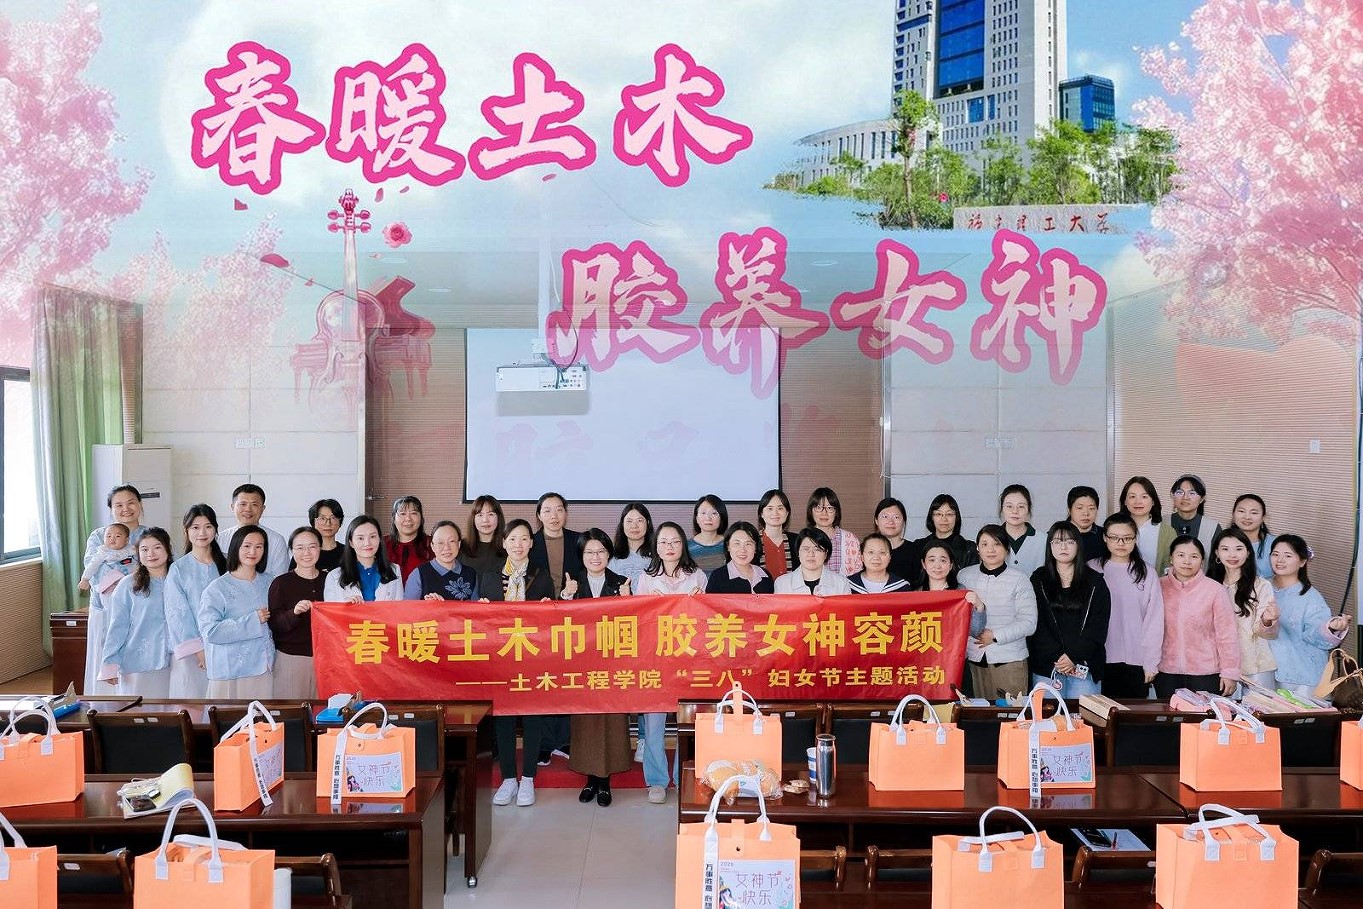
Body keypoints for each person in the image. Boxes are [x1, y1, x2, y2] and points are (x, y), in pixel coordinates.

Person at [482, 519, 555, 808]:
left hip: (533, 657)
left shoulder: (542, 576)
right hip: (501, 658)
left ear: (531, 543)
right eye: (512, 539)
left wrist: (551, 607)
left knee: (533, 717)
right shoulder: (489, 576)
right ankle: (509, 778)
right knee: (504, 718)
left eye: (524, 538)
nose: (518, 544)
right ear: (503, 543)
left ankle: (529, 778)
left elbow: (553, 620)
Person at [560, 528, 633, 807]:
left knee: (611, 721)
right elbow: (558, 623)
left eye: (601, 551)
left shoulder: (620, 583)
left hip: (613, 665)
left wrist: (628, 600)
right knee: (585, 722)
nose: (595, 557)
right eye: (589, 552)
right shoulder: (572, 583)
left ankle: (605, 783)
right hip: (581, 665)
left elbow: (633, 624)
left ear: (609, 554)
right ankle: (590, 780)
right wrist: (566, 597)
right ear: (581, 555)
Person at [635, 521, 706, 803]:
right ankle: (656, 781)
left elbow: (708, 619)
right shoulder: (646, 578)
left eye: (675, 541)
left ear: (683, 545)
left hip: (689, 659)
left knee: (686, 721)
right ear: (656, 546)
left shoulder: (697, 576)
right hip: (656, 659)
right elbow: (639, 621)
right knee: (654, 723)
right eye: (663, 542)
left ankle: (682, 776)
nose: (669, 547)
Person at [1027, 521, 1111, 698]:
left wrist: (1073, 655)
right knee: (1047, 714)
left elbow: (1098, 626)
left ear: (1078, 545)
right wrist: (1058, 658)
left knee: (1083, 714)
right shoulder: (1039, 579)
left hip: (1084, 665)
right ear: (1050, 545)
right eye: (1057, 541)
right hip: (1048, 665)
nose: (1063, 547)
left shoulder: (1095, 581)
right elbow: (1036, 623)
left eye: (1070, 541)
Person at [957, 524, 1037, 700]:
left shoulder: (1019, 579)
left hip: (1009, 660)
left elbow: (1029, 623)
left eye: (997, 544)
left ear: (1007, 549)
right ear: (977, 548)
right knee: (978, 713)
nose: (991, 549)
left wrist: (994, 635)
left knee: (1010, 713)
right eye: (985, 544)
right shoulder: (964, 576)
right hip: (973, 660)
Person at [1155, 536, 1240, 699]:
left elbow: (1227, 634)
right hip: (1166, 671)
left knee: (1204, 716)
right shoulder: (1158, 586)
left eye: (1194, 556)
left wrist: (1230, 671)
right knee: (1168, 715)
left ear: (1202, 561)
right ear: (1171, 558)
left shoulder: (1215, 590)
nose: (1187, 561)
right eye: (1181, 555)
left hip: (1206, 673)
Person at [82, 485, 148, 694]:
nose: (125, 509)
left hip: (142, 608)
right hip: (105, 607)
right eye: (118, 505)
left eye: (131, 503)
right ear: (111, 509)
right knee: (105, 654)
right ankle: (103, 708)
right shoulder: (99, 536)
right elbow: (93, 569)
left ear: (140, 504)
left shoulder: (150, 534)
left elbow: (160, 567)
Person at [1268, 534, 1350, 699]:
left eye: (1288, 556)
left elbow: (1316, 633)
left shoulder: (1311, 598)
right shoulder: (1261, 587)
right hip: (1265, 672)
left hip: (1301, 678)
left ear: (1303, 561)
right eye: (1275, 554)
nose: (1280, 560)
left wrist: (1331, 627)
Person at [198, 525, 275, 699]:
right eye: (247, 546)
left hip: (263, 667)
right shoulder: (217, 588)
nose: (252, 551)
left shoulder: (270, 582)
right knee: (230, 716)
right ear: (236, 548)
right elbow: (210, 631)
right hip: (230, 670)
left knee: (261, 716)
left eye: (259, 546)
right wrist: (253, 620)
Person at [1091, 513, 1163, 700]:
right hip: (1099, 657)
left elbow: (1154, 621)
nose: (1120, 543)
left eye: (1127, 538)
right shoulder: (1092, 569)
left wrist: (1151, 662)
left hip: (1137, 658)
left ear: (1135, 538)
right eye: (1114, 537)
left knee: (1133, 714)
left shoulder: (1147, 572)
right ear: (1105, 538)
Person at [98, 528, 175, 697]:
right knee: (139, 709)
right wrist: (110, 663)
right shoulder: (128, 584)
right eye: (144, 549)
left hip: (176, 660)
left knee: (174, 709)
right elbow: (117, 626)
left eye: (157, 547)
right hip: (138, 662)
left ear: (168, 549)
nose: (150, 554)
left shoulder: (179, 580)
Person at [1206, 527, 1279, 694]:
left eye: (1238, 549)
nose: (1232, 555)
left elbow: (1266, 632)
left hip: (1255, 664)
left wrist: (1267, 620)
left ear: (1248, 553)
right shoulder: (1209, 585)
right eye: (1225, 549)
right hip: (1218, 665)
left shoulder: (1261, 585)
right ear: (1216, 553)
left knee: (1260, 709)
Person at [165, 504, 225, 699]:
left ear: (215, 529)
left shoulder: (228, 562)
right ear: (186, 531)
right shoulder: (178, 569)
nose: (202, 533)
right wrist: (199, 651)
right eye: (195, 527)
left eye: (208, 526)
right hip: (192, 652)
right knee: (193, 703)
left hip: (226, 647)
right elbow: (177, 614)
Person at [268, 527, 328, 699]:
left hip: (326, 658)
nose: (306, 553)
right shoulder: (281, 583)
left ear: (320, 548)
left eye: (312, 546)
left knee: (324, 711)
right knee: (292, 711)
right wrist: (293, 613)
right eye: (300, 547)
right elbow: (275, 624)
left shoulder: (330, 580)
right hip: (291, 659)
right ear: (292, 551)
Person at [911, 539, 987, 641]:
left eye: (943, 560)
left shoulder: (960, 592)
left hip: (952, 649)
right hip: (924, 648)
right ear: (924, 564)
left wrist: (979, 605)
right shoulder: (915, 594)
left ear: (951, 565)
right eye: (932, 560)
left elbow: (974, 631)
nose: (937, 566)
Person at [215, 484, 289, 577]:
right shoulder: (220, 538)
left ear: (262, 509)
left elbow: (280, 577)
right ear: (232, 507)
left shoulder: (276, 540)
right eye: (243, 504)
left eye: (254, 504)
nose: (248, 509)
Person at [323, 516, 404, 602]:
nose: (367, 543)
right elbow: (329, 609)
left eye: (372, 536)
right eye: (360, 538)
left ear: (379, 539)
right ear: (351, 542)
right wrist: (344, 606)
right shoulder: (334, 576)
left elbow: (399, 608)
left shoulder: (394, 570)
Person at [1156, 475, 1221, 575]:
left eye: (1192, 493)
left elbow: (1216, 565)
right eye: (1179, 492)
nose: (1185, 497)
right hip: (1163, 581)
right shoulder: (1161, 522)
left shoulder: (1212, 527)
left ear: (1202, 498)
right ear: (1172, 495)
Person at [404, 520, 478, 600]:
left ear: (459, 544)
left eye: (451, 541)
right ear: (432, 546)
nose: (446, 548)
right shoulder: (419, 574)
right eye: (440, 543)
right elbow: (408, 607)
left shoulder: (471, 574)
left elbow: (474, 606)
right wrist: (428, 605)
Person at [773, 527, 853, 595]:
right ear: (798, 552)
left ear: (826, 554)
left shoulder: (841, 583)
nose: (811, 554)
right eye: (806, 549)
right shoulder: (782, 583)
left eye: (817, 549)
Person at [528, 492, 579, 598]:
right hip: (540, 603)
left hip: (572, 602)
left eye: (559, 510)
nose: (554, 516)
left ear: (565, 513)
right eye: (547, 511)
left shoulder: (579, 540)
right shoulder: (529, 543)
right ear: (539, 516)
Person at [913, 493, 977, 573]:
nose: (944, 519)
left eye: (949, 514)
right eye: (938, 514)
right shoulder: (919, 546)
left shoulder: (968, 548)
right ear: (932, 517)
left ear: (956, 517)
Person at [705, 522, 773, 593]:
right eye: (737, 543)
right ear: (728, 547)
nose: (742, 550)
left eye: (748, 544)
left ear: (756, 548)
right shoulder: (717, 577)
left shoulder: (765, 575)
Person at [805, 487, 861, 574]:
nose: (824, 513)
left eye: (829, 508)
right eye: (819, 507)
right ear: (811, 511)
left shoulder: (850, 539)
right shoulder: (804, 539)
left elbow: (858, 573)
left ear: (836, 512)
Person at [384, 495, 434, 584]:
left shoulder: (432, 544)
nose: (408, 519)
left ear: (421, 518)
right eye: (402, 514)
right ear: (394, 519)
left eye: (413, 513)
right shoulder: (381, 544)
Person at [999, 484, 1045, 576]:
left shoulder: (1044, 540)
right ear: (1002, 509)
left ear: (1028, 510)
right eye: (1009, 506)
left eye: (1021, 506)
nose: (1015, 511)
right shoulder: (992, 538)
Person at [1118, 476, 1163, 569]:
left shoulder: (1167, 532)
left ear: (1153, 501)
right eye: (1132, 496)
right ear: (1125, 501)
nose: (1138, 502)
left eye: (1144, 497)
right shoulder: (1114, 528)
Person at [873, 497, 919, 586]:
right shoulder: (866, 550)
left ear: (903, 522)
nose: (890, 521)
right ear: (876, 521)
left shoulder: (915, 550)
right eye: (885, 516)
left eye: (896, 517)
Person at [1230, 493, 1276, 580]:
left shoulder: (1275, 544)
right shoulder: (1224, 541)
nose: (1247, 517)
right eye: (1241, 511)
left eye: (1254, 513)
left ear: (1263, 517)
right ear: (1233, 514)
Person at [79, 522, 134, 593]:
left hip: (127, 582)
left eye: (117, 536)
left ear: (127, 540)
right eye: (109, 536)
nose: (112, 539)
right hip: (110, 585)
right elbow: (92, 566)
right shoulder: (103, 552)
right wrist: (85, 579)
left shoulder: (130, 549)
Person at [608, 502, 654, 586]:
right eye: (629, 521)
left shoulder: (658, 554)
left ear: (647, 522)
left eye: (639, 520)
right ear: (622, 524)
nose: (634, 526)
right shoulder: (611, 556)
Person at [757, 489, 798, 579]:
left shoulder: (797, 541)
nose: (775, 513)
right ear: (762, 513)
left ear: (787, 513)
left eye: (780, 508)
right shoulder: (753, 542)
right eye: (770, 508)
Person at [461, 495, 506, 578]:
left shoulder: (509, 547)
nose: (485, 520)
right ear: (473, 519)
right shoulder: (461, 547)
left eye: (491, 514)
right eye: (480, 515)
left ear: (499, 517)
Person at [689, 494, 728, 575]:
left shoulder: (729, 545)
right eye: (703, 513)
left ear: (722, 518)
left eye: (714, 513)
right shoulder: (687, 547)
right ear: (696, 518)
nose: (708, 518)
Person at [1067, 486, 1104, 563]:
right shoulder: (1056, 536)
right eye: (1079, 508)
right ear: (1069, 510)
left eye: (1091, 508)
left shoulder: (1105, 536)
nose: (1086, 513)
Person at [307, 499, 346, 573]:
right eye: (322, 518)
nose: (328, 523)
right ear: (313, 522)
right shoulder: (304, 553)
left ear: (340, 522)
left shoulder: (349, 553)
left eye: (333, 518)